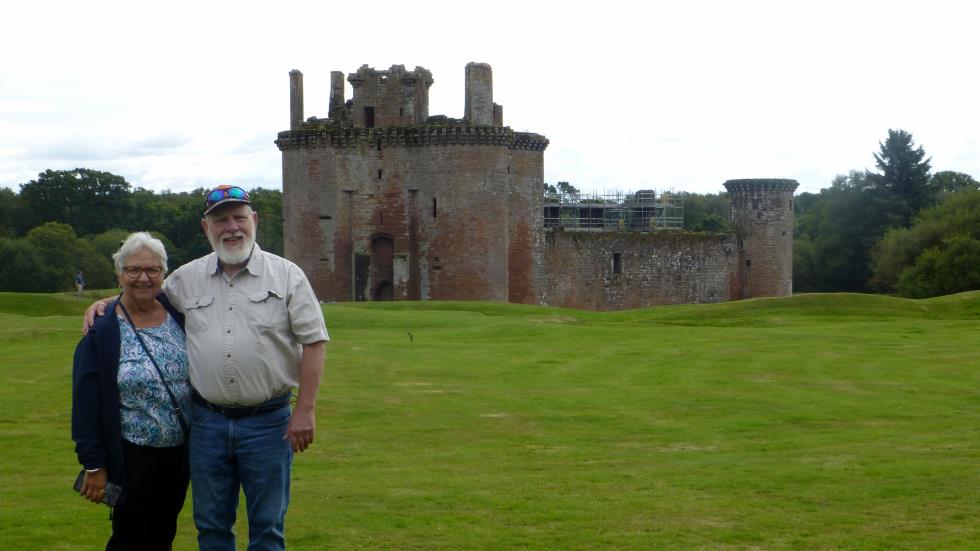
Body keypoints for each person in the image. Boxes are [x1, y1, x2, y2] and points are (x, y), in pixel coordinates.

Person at [85, 185, 329, 551]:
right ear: (206, 228)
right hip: (207, 426)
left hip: (269, 423)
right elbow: (144, 289)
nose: (231, 227)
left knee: (267, 529)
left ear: (254, 221)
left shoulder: (287, 276)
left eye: (239, 217)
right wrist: (105, 302)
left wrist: (305, 411)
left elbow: (314, 342)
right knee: (212, 528)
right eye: (220, 220)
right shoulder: (187, 278)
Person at [72, 232, 190, 550]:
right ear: (120, 273)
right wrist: (94, 465)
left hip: (179, 453)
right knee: (130, 536)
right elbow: (85, 405)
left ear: (164, 273)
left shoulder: (177, 312)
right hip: (130, 455)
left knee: (164, 531)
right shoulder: (102, 332)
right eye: (133, 270)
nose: (143, 277)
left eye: (152, 270)